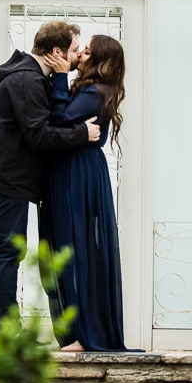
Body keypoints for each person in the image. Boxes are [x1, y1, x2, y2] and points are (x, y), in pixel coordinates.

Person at [0, 21, 100, 343]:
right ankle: (6, 335)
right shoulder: (28, 79)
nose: (77, 57)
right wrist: (82, 133)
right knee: (5, 254)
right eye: (75, 50)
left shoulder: (21, 74)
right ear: (57, 51)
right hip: (1, 181)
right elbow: (38, 135)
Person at [41, 34, 128, 352]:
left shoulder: (95, 92)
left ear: (99, 60)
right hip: (71, 168)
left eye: (86, 51)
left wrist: (61, 75)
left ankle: (85, 335)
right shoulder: (89, 89)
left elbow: (60, 118)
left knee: (77, 247)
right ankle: (78, 333)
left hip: (79, 172)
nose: (79, 55)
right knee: (69, 246)